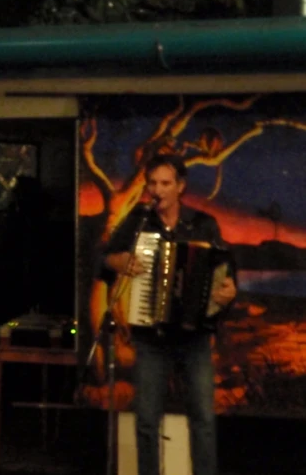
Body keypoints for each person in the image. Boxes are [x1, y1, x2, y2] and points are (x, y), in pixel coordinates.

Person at [102, 154, 237, 475]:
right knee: (147, 419)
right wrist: (119, 262)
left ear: (180, 186)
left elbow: (226, 270)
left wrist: (228, 292)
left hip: (194, 337)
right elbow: (104, 259)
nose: (157, 190)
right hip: (151, 337)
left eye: (165, 183)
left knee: (202, 418)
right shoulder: (138, 221)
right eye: (152, 183)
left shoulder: (203, 224)